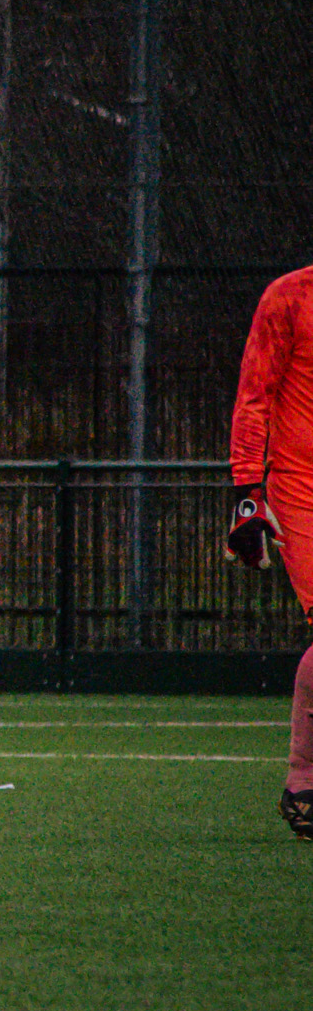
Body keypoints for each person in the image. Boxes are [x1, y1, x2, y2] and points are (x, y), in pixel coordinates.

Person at [227, 262, 313, 840]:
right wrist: (246, 497)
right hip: (302, 488)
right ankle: (304, 779)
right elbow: (255, 395)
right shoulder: (290, 296)